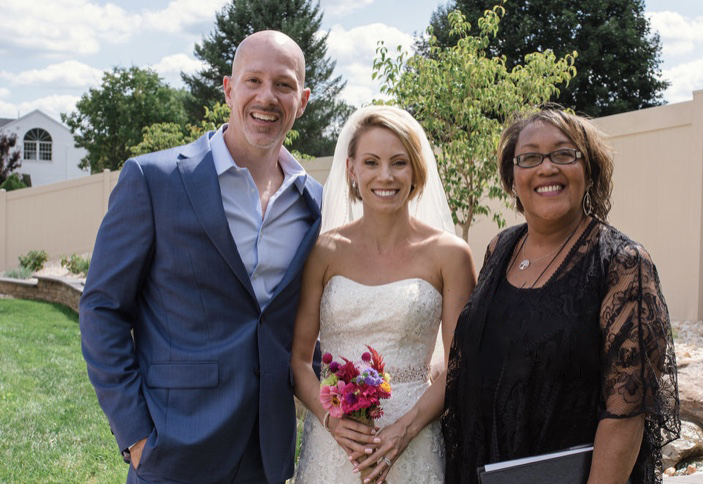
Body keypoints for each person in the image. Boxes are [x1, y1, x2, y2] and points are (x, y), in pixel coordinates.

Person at [79, 30, 322, 484]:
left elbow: (302, 328)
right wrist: (136, 436)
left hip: (266, 456)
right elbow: (102, 309)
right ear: (229, 89)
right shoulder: (152, 180)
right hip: (173, 450)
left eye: (284, 85)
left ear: (303, 99)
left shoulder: (315, 205)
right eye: (253, 80)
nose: (267, 97)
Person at [442, 107, 680, 484]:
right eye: (530, 157)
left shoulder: (622, 265)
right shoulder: (499, 248)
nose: (546, 168)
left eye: (563, 154)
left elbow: (626, 414)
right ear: (512, 176)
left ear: (589, 170)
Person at [290, 105, 476, 483]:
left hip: (415, 439)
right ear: (351, 170)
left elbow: (460, 366)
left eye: (399, 162)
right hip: (335, 445)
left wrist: (405, 431)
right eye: (371, 162)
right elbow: (296, 358)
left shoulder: (451, 254)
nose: (385, 176)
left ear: (416, 169)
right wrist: (332, 422)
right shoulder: (322, 252)